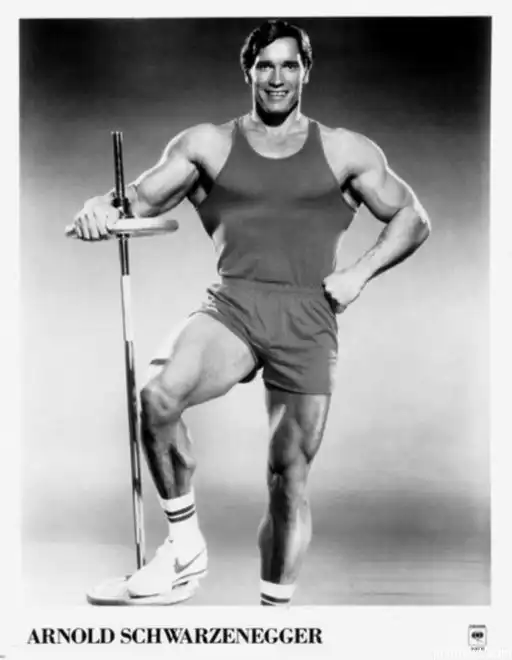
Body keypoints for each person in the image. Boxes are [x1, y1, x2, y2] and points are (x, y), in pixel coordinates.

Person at [73, 19, 431, 606]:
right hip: (234, 307)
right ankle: (183, 551)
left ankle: (272, 618)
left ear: (306, 72)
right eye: (265, 65)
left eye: (290, 65)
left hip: (309, 318)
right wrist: (98, 207)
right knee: (158, 397)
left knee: (288, 479)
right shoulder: (207, 145)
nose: (277, 77)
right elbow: (134, 200)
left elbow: (412, 217)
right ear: (248, 72)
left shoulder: (345, 149)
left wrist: (359, 273)